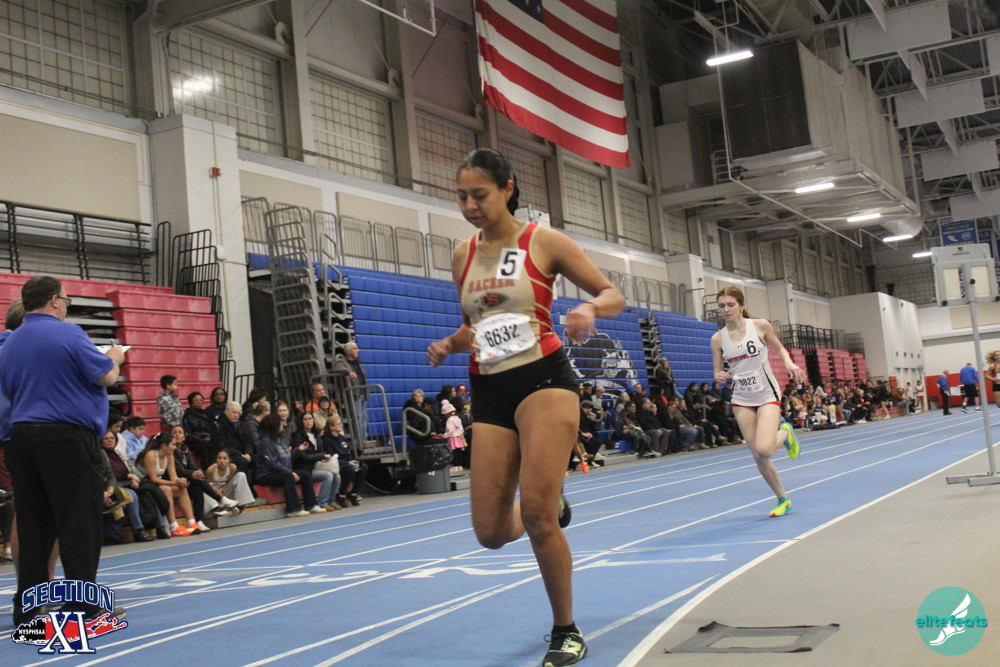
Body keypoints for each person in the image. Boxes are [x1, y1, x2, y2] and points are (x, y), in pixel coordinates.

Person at [426, 148, 625, 667]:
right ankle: (551, 506)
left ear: (507, 189)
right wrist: (450, 344)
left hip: (544, 380)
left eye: (479, 195)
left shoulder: (543, 241)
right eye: (461, 197)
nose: (469, 206)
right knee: (490, 533)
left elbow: (613, 294)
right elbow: (476, 325)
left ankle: (566, 630)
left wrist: (588, 307)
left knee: (535, 514)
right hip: (489, 389)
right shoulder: (462, 255)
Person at [0, 276, 127, 624]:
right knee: (78, 522)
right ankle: (83, 604)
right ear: (54, 300)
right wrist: (114, 357)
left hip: (22, 438)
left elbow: (8, 390)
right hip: (66, 438)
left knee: (34, 524)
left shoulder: (10, 343)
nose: (67, 305)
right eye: (67, 300)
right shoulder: (68, 333)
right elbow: (106, 378)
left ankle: (28, 607)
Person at [711, 285, 805, 519]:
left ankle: (785, 432)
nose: (726, 309)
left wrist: (789, 363)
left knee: (765, 449)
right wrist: (719, 376)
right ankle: (783, 499)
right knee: (758, 455)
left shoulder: (760, 326)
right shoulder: (717, 339)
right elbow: (716, 371)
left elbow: (780, 348)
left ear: (741, 305)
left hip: (766, 394)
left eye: (730, 304)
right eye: (721, 306)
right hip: (741, 398)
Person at [255, 412, 324, 517]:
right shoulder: (265, 442)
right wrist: (289, 472)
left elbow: (287, 457)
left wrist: (298, 450)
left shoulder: (279, 440)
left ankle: (311, 505)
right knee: (288, 476)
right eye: (280, 423)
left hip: (281, 471)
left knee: (305, 475)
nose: (282, 425)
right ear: (274, 426)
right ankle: (293, 509)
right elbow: (272, 463)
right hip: (266, 474)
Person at [137, 433, 199, 537]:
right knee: (167, 489)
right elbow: (153, 478)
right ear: (164, 446)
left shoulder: (169, 456)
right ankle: (174, 527)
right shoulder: (151, 455)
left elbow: (173, 477)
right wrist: (173, 483)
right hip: (145, 484)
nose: (175, 447)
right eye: (173, 445)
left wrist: (180, 482)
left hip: (157, 484)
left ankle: (192, 523)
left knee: (182, 489)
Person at [321, 416, 368, 507]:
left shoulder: (341, 438)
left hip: (347, 462)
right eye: (338, 424)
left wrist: (351, 460)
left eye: (341, 423)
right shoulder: (327, 440)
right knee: (349, 469)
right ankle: (341, 494)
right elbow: (332, 457)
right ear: (331, 427)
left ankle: (353, 493)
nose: (341, 425)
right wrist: (347, 463)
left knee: (363, 467)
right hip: (337, 464)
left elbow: (347, 452)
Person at [334, 341, 369, 442]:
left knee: (363, 417)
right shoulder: (342, 361)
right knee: (357, 417)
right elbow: (338, 368)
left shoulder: (358, 362)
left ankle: (364, 439)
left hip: (362, 392)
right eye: (355, 348)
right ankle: (358, 440)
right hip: (353, 393)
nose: (358, 350)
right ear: (349, 351)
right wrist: (348, 372)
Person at [440, 400, 467, 472]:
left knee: (454, 453)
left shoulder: (449, 420)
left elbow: (450, 430)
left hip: (452, 438)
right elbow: (461, 428)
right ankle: (459, 466)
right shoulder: (457, 418)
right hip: (459, 437)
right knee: (459, 452)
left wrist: (444, 436)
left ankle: (455, 466)